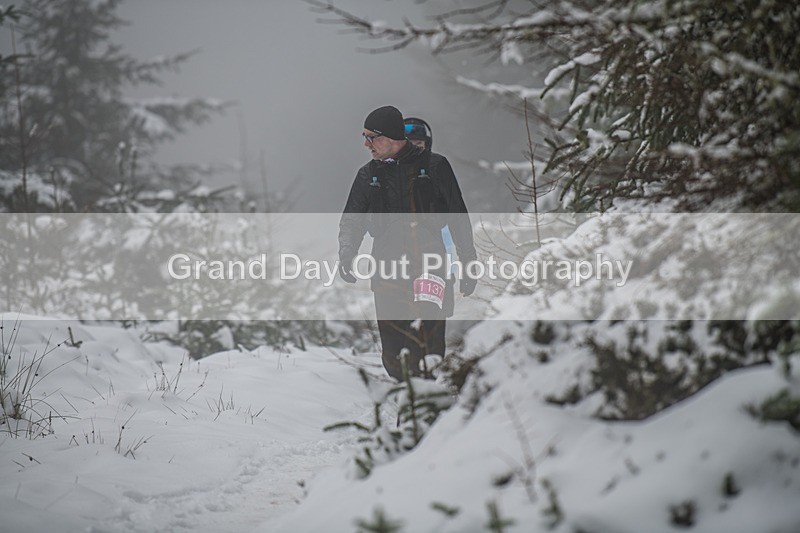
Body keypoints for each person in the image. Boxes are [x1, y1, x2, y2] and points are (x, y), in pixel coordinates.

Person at [338, 105, 477, 380]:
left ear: (390, 136)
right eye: (364, 137)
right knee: (393, 354)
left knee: (429, 348)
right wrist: (347, 252)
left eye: (371, 137)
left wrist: (468, 262)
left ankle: (428, 407)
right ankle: (408, 398)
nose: (366, 144)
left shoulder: (435, 167)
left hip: (431, 270)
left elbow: (458, 217)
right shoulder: (368, 175)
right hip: (387, 273)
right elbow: (352, 220)